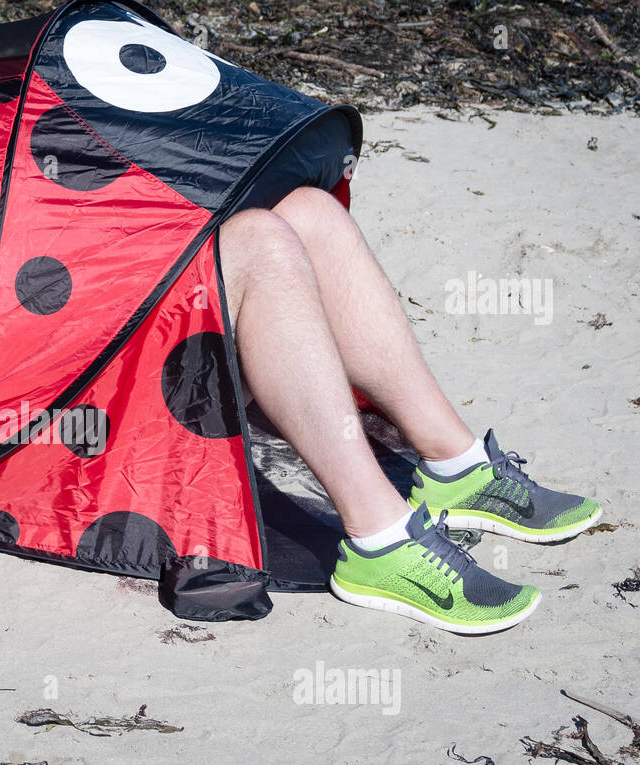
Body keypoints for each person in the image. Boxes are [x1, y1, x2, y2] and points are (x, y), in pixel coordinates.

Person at [220, 187, 601, 634]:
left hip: (151, 254)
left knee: (310, 211)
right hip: (126, 361)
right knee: (258, 240)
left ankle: (455, 464)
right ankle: (378, 542)